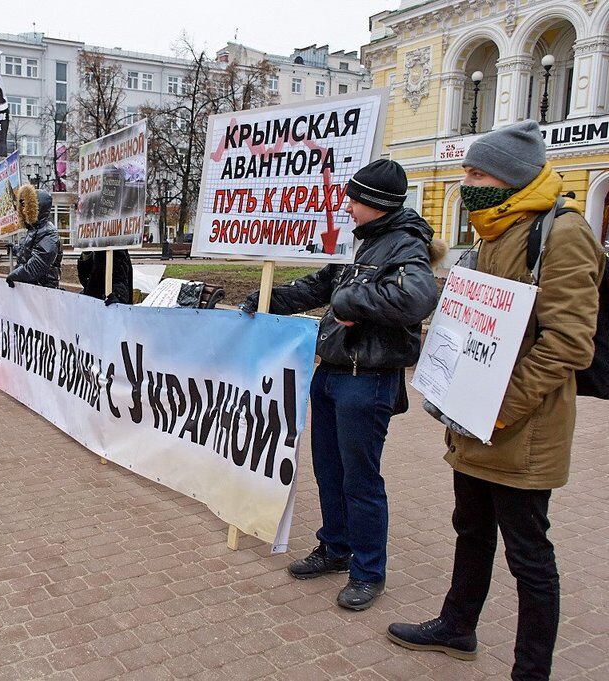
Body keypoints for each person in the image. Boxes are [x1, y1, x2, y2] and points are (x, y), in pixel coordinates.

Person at [387, 121, 605, 679]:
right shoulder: (494, 229)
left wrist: (501, 407)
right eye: (465, 171)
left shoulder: (561, 233)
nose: (467, 182)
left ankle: (531, 670)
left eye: (477, 173)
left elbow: (568, 344)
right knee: (472, 528)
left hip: (521, 428)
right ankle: (457, 627)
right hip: (475, 419)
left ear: (509, 179)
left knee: (529, 555)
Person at [241, 159, 443, 611]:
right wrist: (270, 297)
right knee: (330, 472)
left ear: (376, 203)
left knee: (360, 480)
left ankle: (369, 571)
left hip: (366, 381)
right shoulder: (361, 244)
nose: (346, 205)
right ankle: (334, 548)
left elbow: (417, 297)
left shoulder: (404, 244)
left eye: (354, 198)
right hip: (331, 373)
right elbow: (321, 286)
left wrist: (353, 299)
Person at [6, 184, 62, 289]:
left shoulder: (49, 233)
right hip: (32, 288)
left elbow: (38, 264)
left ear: (37, 207)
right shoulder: (34, 230)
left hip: (43, 289)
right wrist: (15, 249)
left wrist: (15, 275)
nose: (23, 210)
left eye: (26, 205)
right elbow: (28, 253)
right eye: (21, 205)